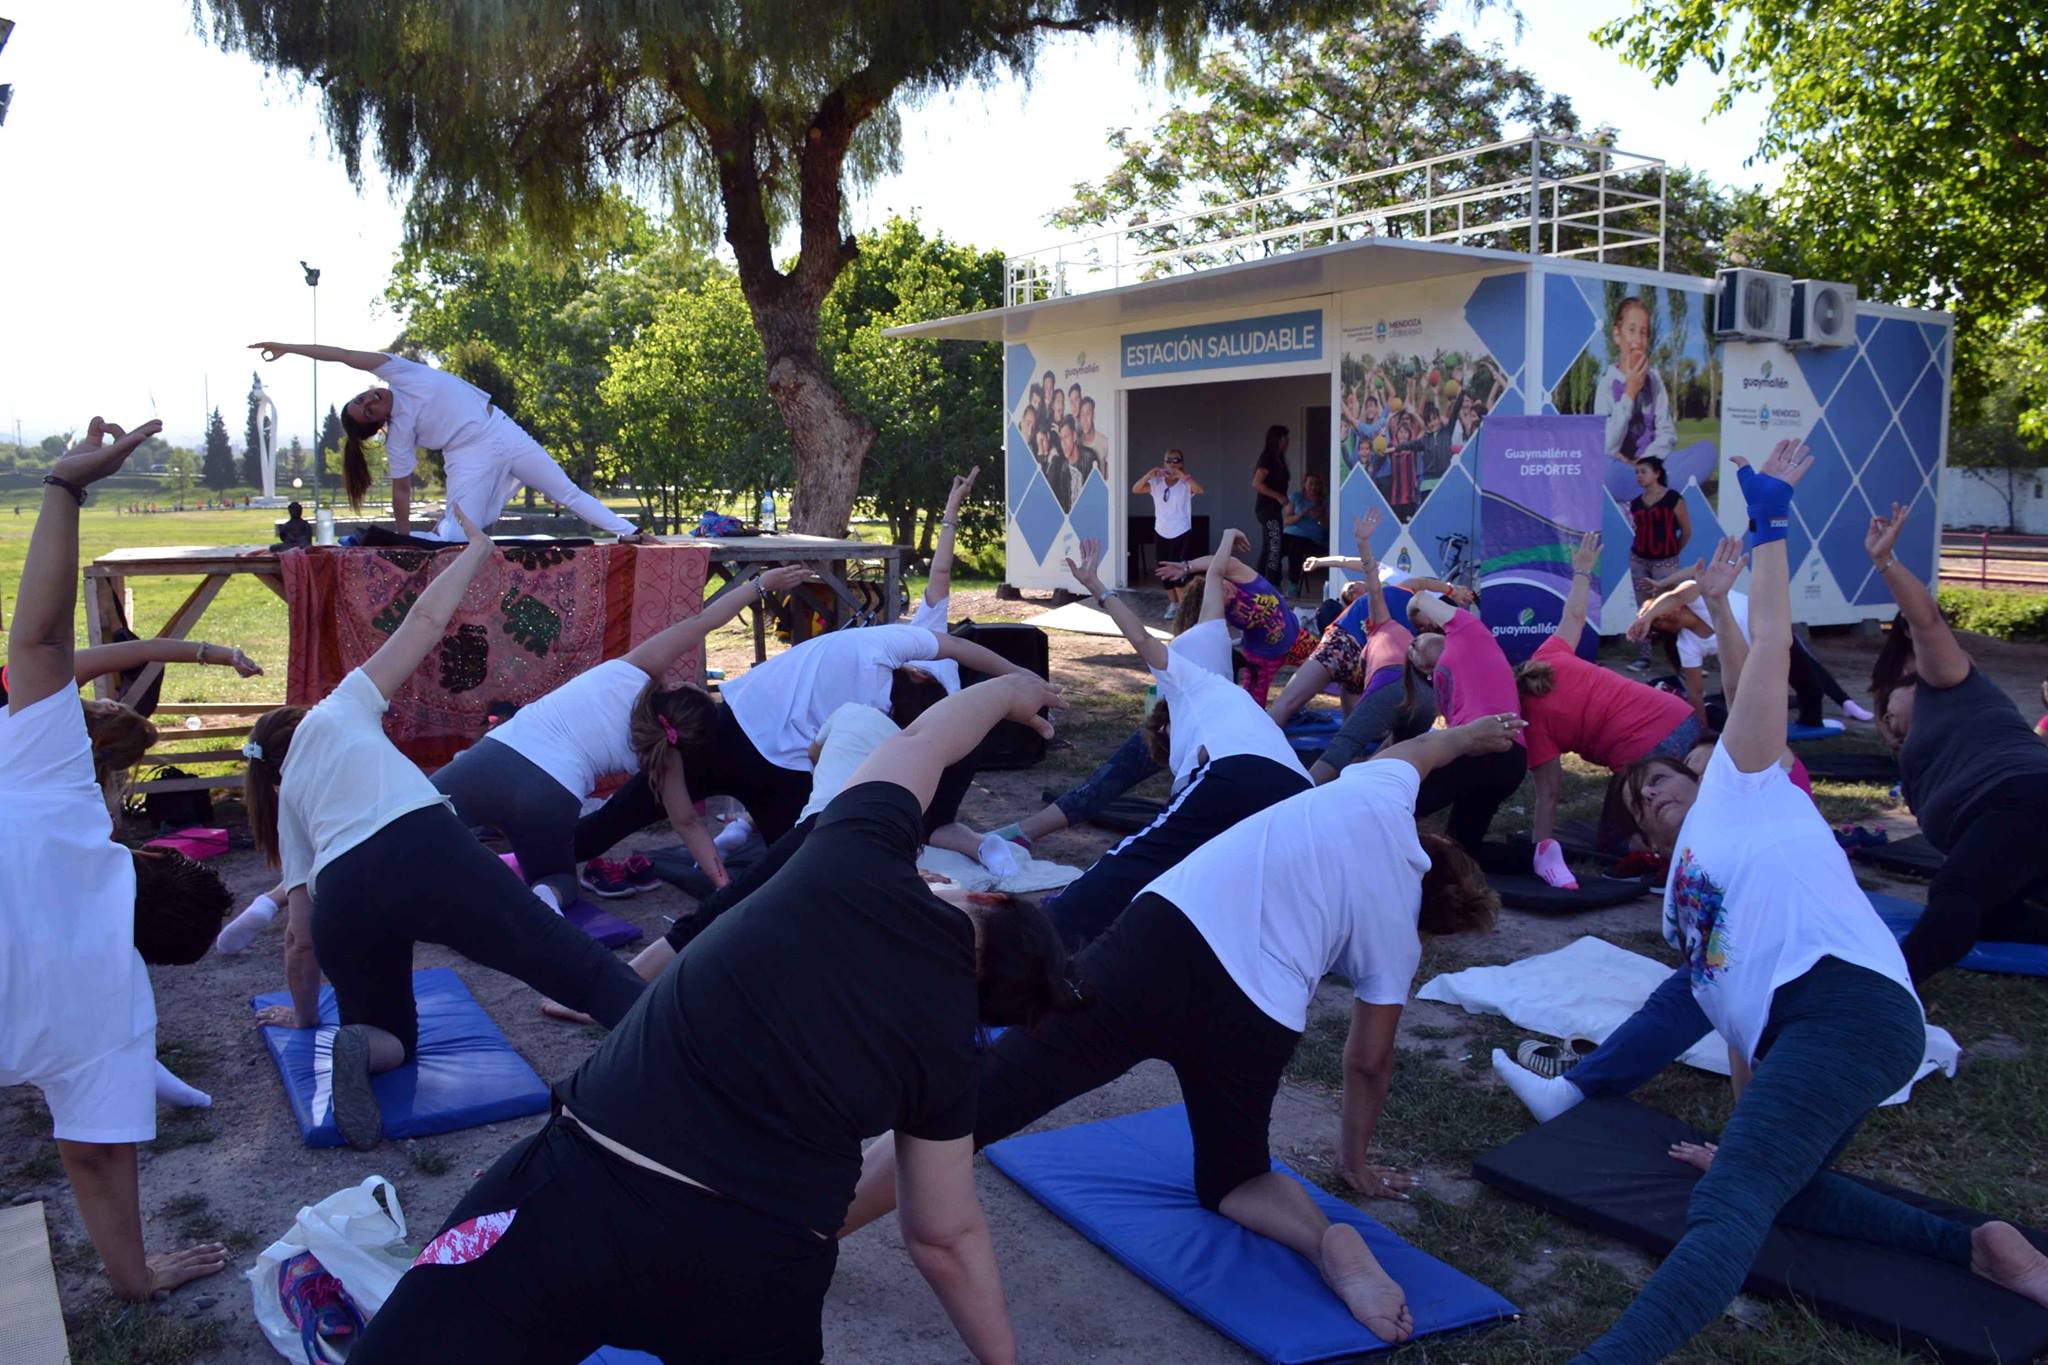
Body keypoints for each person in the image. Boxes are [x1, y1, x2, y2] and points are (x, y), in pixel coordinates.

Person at [350, 675, 1076, 1363]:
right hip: (755, 1270)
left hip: (578, 1191)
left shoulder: (860, 852)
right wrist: (1003, 1356)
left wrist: (1010, 691)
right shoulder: (950, 1045)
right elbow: (943, 1232)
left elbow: (927, 738)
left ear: (987, 899)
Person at [1545, 441, 2048, 1364]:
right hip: (1813, 1027)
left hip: (1847, 1005)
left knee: (1725, 1212)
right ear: (1647, 842)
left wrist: (1770, 524)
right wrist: (1740, 1137)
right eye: (1637, 801)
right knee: (1775, 1186)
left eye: (1659, 779)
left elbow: (1763, 662)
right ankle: (1978, 1246)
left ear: (1693, 774)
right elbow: (1739, 1019)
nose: (1650, 793)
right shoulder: (1681, 910)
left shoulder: (1748, 786)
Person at [841, 713, 1518, 1343]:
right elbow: (1369, 1062)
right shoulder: (1399, 937)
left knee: (983, 1100)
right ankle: (1326, 1241)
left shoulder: (1379, 789)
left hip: (1162, 941)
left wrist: (1473, 734)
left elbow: (1423, 748)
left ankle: (821, 1219)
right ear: (1434, 920)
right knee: (1235, 1178)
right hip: (1255, 1013)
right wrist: (1353, 1161)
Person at [243, 506, 649, 1150]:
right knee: (574, 966)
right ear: (299, 719)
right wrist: (474, 551)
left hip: (344, 901)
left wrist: (302, 1016)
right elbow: (424, 623)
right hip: (421, 848)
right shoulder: (338, 708)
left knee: (392, 1041)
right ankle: (696, 1058)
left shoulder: (289, 801)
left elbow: (298, 938)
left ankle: (358, 1047)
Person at [2, 416, 234, 1301]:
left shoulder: (62, 801)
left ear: (144, 856)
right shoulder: (112, 1009)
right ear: (147, 955)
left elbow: (40, 645)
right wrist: (136, 1274)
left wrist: (65, 487)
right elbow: (94, 1154)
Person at [568, 599, 1041, 930]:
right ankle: (735, 883)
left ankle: (545, 853)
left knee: (617, 819)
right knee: (799, 867)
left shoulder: (882, 647)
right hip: (762, 756)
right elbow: (835, 763)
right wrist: (1017, 679)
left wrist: (1018, 676)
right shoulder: (875, 716)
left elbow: (956, 646)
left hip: (745, 735)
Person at [431, 563, 815, 910]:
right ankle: (543, 901)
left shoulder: (636, 670)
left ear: (679, 689)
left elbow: (706, 621)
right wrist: (724, 885)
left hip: (495, 759)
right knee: (557, 879)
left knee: (405, 821)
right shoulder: (664, 756)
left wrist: (762, 584)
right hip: (551, 797)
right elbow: (689, 824)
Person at [1040, 538, 1309, 947]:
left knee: (1141, 852)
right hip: (1300, 790)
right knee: (1233, 876)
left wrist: (1100, 589)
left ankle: (1054, 921)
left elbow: (1143, 641)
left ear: (1164, 728)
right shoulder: (1224, 673)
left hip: (1238, 770)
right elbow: (1216, 577)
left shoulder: (1186, 681)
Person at [1865, 501, 2048, 983]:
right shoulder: (1923, 756)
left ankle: (1890, 992)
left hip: (2023, 797)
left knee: (1955, 896)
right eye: (1883, 718)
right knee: (1994, 914)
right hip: (2024, 829)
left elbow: (1925, 623)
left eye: (1893, 705)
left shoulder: (1950, 683)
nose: (1891, 719)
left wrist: (1886, 562)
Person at [249, 341, 643, 542]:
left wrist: (289, 347)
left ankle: (630, 533)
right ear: (378, 423)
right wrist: (403, 540)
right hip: (468, 455)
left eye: (363, 398)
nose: (369, 401)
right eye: (367, 411)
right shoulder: (399, 437)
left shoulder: (399, 372)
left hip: (502, 429)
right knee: (457, 535)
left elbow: (343, 355)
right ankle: (454, 520)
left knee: (567, 492)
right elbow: (401, 489)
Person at [1514, 531, 1704, 887]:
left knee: (1617, 844)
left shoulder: (1532, 721)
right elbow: (1574, 616)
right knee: (1691, 801)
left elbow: (1549, 793)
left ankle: (1673, 861)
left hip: (1646, 753)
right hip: (1681, 717)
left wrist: (1539, 848)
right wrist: (1583, 571)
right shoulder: (1548, 656)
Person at [1274, 513, 1444, 781]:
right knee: (1301, 710)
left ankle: (1340, 781)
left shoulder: (1410, 619)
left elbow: (1391, 580)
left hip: (1373, 673)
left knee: (1352, 741)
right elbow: (1370, 577)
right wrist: (1358, 544)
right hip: (1349, 651)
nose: (1353, 589)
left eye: (1354, 588)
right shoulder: (1382, 613)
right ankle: (1339, 779)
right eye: (1350, 591)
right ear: (1352, 600)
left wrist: (1450, 589)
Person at [1631, 568, 1873, 728]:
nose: (1663, 614)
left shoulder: (1695, 596)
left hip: (1769, 625)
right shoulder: (1688, 644)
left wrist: (1646, 617)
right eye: (1658, 620)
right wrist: (1702, 733)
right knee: (1766, 694)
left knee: (1808, 679)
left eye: (1658, 614)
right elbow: (1695, 693)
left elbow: (1673, 595)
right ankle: (1817, 715)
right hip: (1753, 653)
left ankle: (1842, 706)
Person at [1405, 586, 1527, 851]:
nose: (1410, 645)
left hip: (1495, 749)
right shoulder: (1442, 684)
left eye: (1415, 638)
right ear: (1427, 671)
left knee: (1399, 801)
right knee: (1462, 850)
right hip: (1493, 757)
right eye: (1412, 656)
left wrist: (1414, 615)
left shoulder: (1469, 633)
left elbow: (1419, 598)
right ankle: (1538, 855)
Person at [1155, 537, 1314, 706]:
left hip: (1296, 638)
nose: (1232, 595)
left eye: (1224, 587)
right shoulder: (1215, 613)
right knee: (1252, 705)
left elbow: (1221, 562)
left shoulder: (1242, 577)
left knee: (1335, 665)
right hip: (1262, 657)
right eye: (1225, 598)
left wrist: (1187, 567)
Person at [1625, 455, 1690, 671]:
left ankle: (1684, 658)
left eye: (1643, 471)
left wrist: (1672, 554)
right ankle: (1644, 656)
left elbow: (1686, 530)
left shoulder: (1673, 499)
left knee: (1672, 607)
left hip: (1666, 561)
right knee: (1643, 607)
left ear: (1657, 473)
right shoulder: (1635, 504)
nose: (1639, 476)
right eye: (1636, 472)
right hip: (1639, 559)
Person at [1592, 296, 1674, 467]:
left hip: (1650, 466)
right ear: (1617, 335)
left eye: (1643, 333)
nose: (1637, 339)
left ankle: (1652, 480)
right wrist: (1629, 393)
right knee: (1606, 464)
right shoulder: (1606, 385)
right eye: (1631, 330)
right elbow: (1607, 446)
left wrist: (1644, 462)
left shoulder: (1655, 380)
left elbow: (1667, 434)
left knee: (1706, 450)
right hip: (1619, 467)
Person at [1133, 450, 1203, 620]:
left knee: (1178, 571)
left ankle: (1184, 610)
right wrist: (1149, 474)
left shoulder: (1185, 482)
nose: (1172, 464)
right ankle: (1174, 604)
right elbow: (1136, 489)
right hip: (1161, 530)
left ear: (1181, 462)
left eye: (1176, 460)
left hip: (1181, 531)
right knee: (1163, 571)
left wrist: (1182, 475)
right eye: (1168, 460)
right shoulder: (1157, 482)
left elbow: (1199, 490)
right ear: (1163, 462)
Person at [1251, 423, 1291, 582]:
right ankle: (1272, 582)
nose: (1287, 441)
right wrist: (1278, 496)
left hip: (1275, 509)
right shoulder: (1267, 459)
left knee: (1269, 545)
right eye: (1284, 438)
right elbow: (1257, 483)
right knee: (1275, 544)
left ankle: (1259, 580)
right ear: (1277, 439)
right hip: (1266, 508)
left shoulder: (1279, 459)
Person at [1282, 471, 1330, 595]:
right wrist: (1301, 514)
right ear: (1304, 484)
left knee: (1296, 547)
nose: (1313, 487)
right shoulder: (1296, 497)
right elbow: (1286, 520)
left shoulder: (1324, 501)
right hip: (1290, 534)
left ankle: (1293, 585)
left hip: (1310, 539)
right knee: (1274, 546)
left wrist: (1319, 518)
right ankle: (1272, 582)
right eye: (1310, 484)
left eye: (1316, 484)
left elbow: (1328, 526)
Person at [1045, 416, 1100, 514]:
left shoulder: (1090, 458)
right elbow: (1065, 507)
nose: (1063, 444)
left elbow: (1096, 497)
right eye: (1061, 439)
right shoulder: (1063, 468)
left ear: (1074, 436)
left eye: (1066, 437)